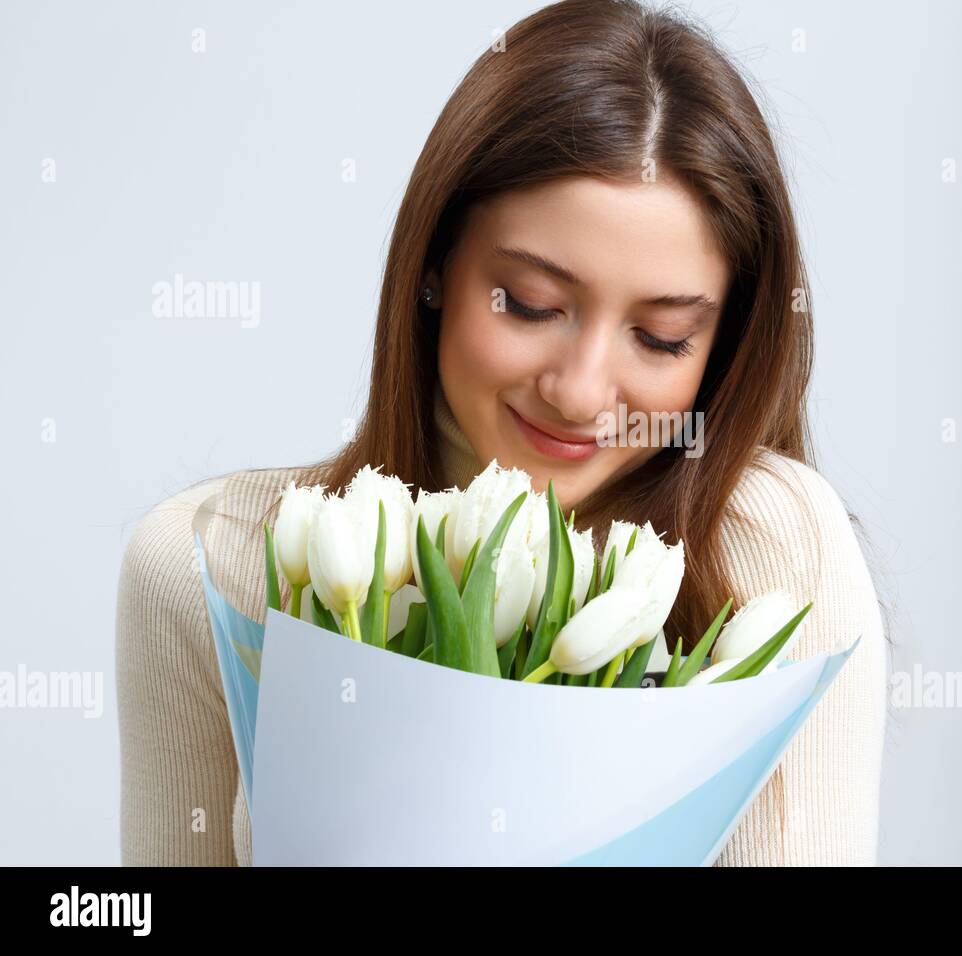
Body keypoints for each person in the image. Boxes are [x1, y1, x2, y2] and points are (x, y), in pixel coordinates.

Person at [116, 0, 887, 866]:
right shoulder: (211, 564)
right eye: (529, 304)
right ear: (437, 265)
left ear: (721, 346)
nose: (582, 392)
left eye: (663, 336)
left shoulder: (768, 551)